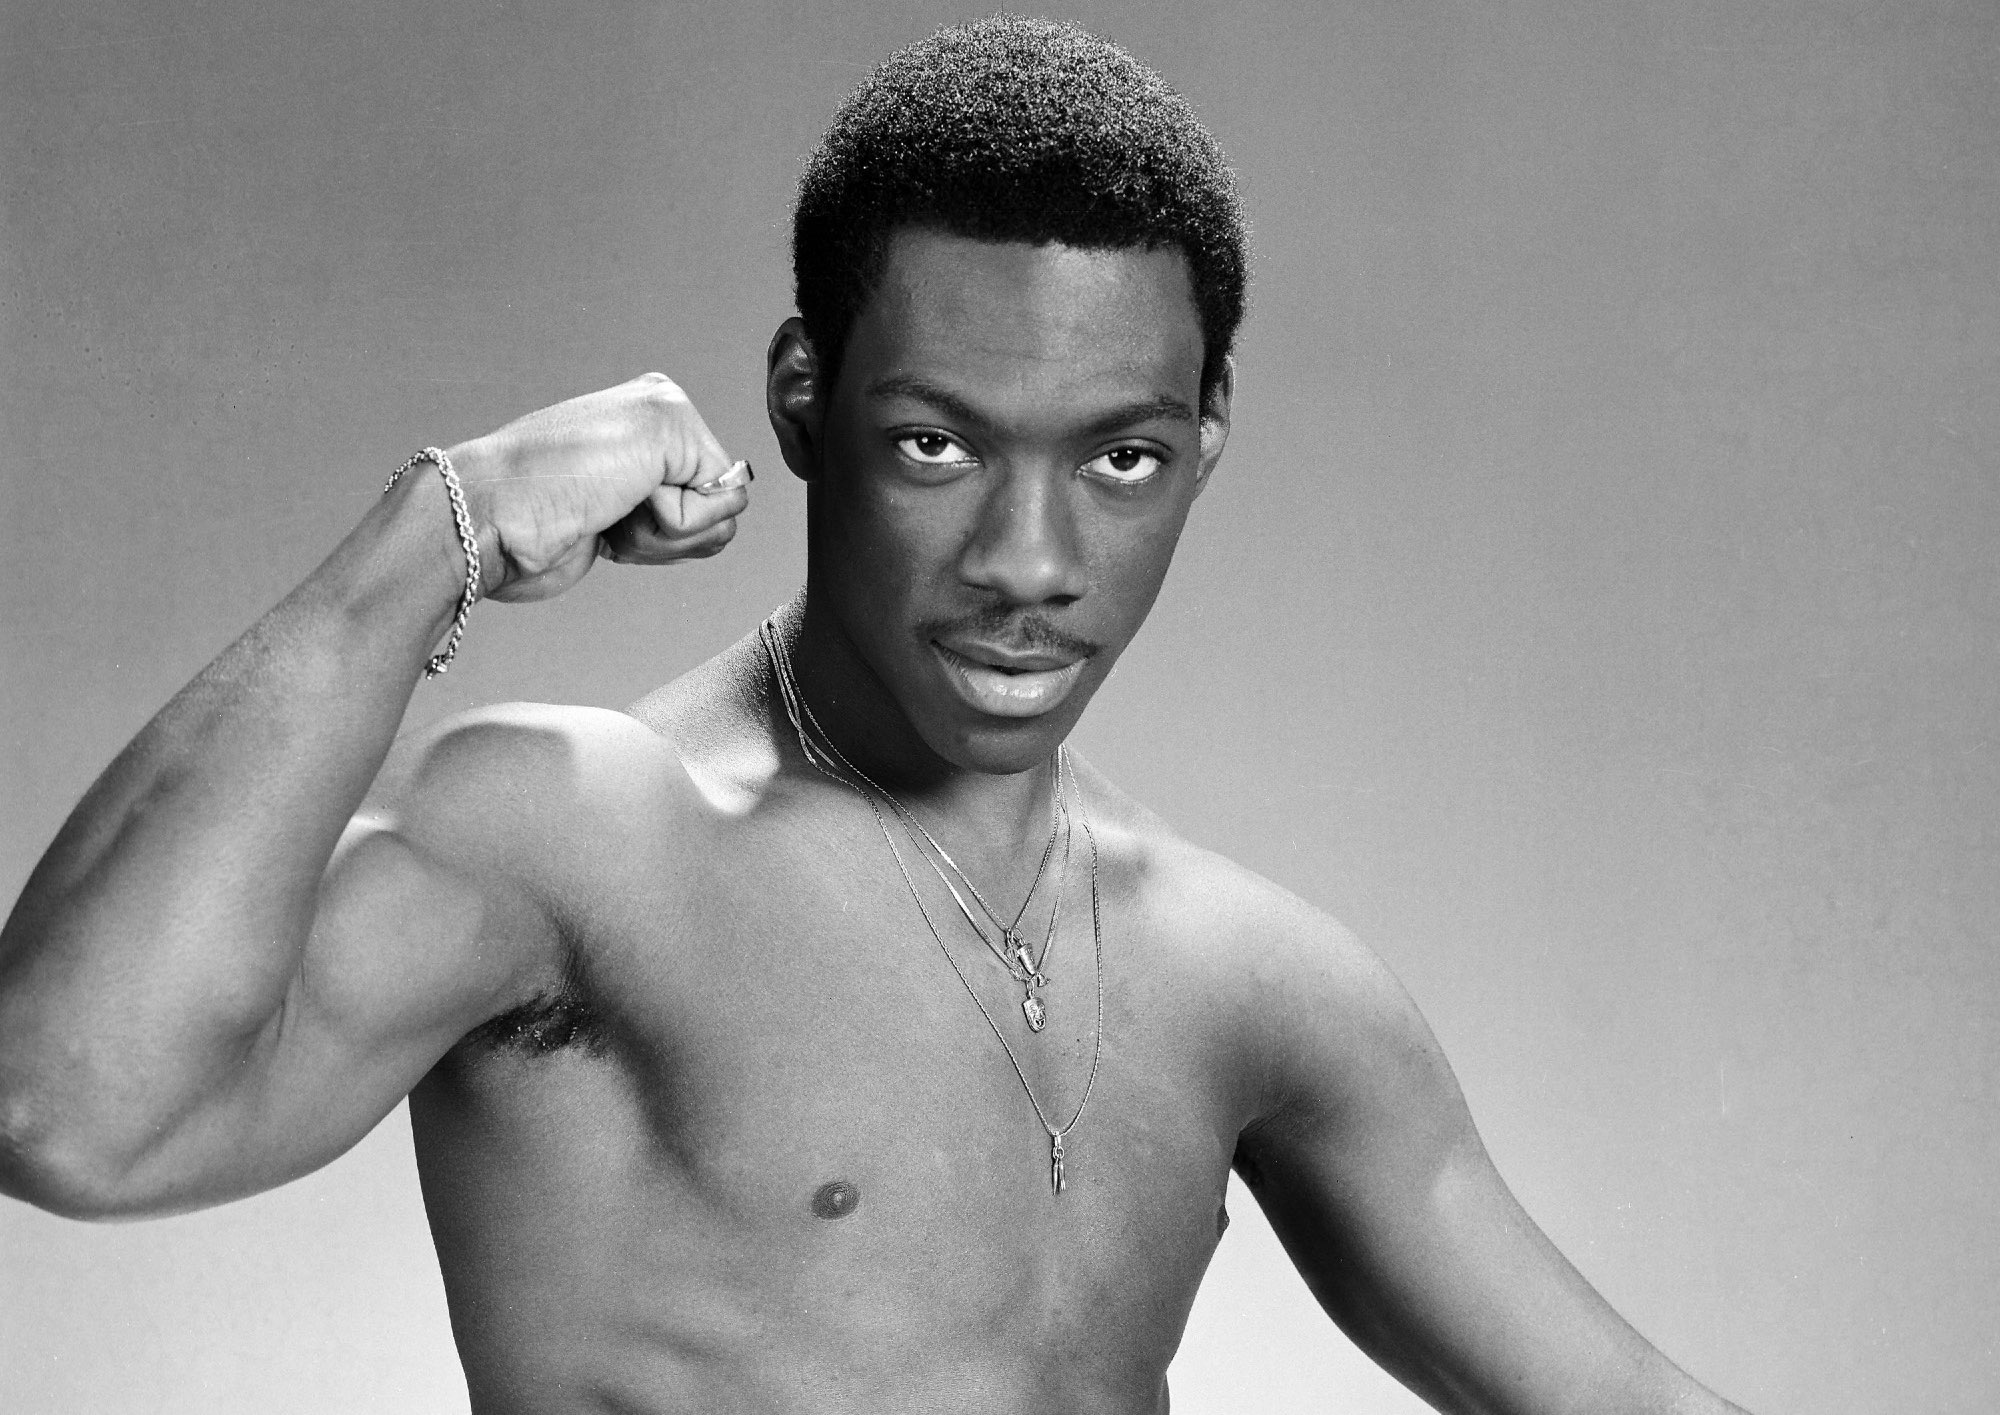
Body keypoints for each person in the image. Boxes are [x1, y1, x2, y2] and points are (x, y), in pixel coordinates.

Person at [0, 17, 1752, 1414]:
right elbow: (68, 1110)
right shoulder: (579, 843)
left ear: (1208, 435)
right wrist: (441, 526)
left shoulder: (1257, 980)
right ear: (803, 400)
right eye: (937, 442)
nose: (1029, 562)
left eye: (1121, 459)